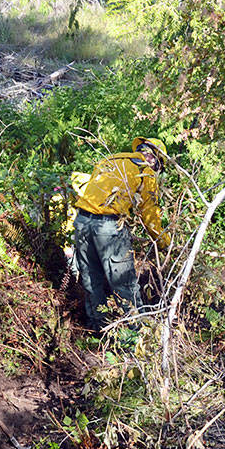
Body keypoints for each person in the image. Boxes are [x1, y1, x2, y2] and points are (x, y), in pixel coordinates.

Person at [71, 137, 171, 331]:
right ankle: (137, 337)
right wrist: (164, 243)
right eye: (159, 167)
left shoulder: (109, 160)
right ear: (154, 159)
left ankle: (98, 330)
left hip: (81, 222)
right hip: (108, 227)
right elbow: (150, 214)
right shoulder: (145, 171)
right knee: (124, 284)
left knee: (91, 279)